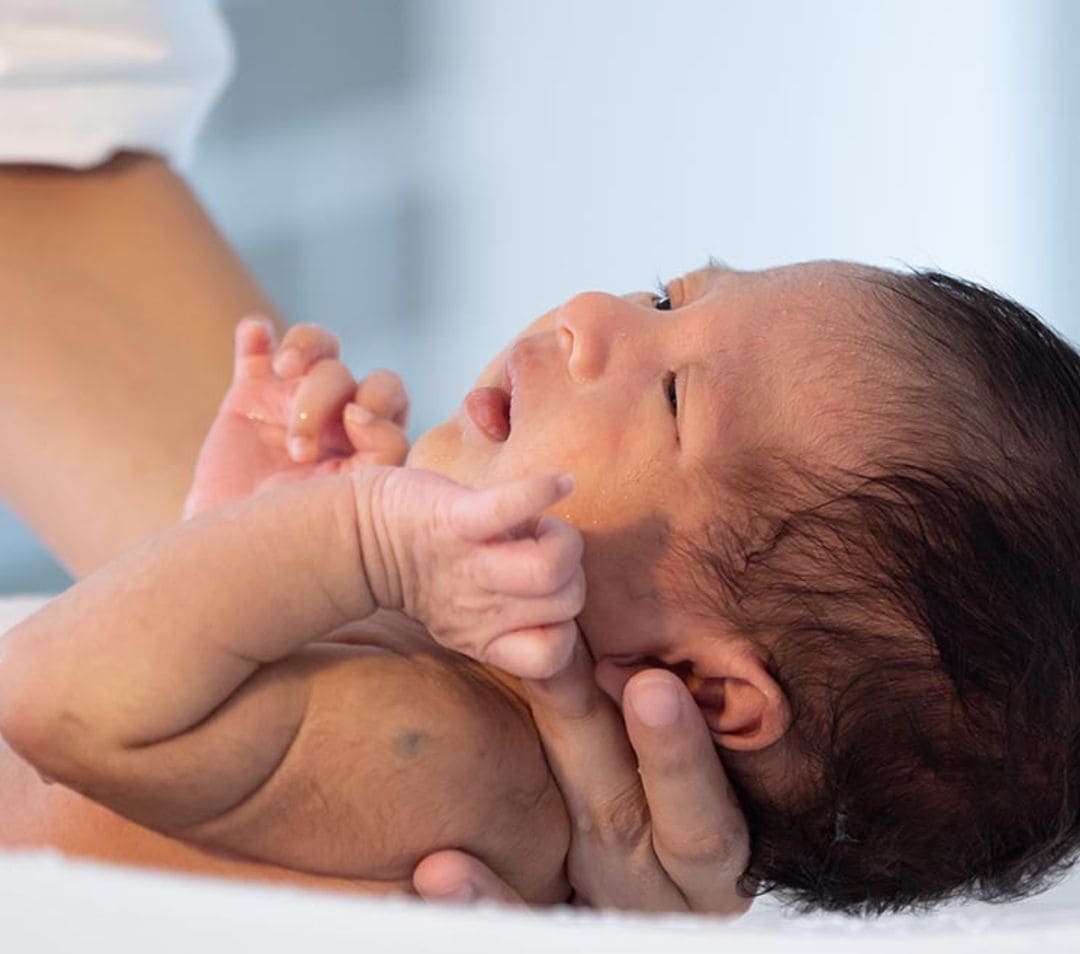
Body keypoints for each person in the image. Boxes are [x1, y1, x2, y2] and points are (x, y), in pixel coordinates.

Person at [5, 245, 1080, 917]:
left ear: (700, 689)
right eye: (668, 296)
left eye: (670, 396)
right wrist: (246, 538)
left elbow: (49, 700)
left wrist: (352, 540)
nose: (590, 310)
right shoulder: (446, 712)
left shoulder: (463, 764)